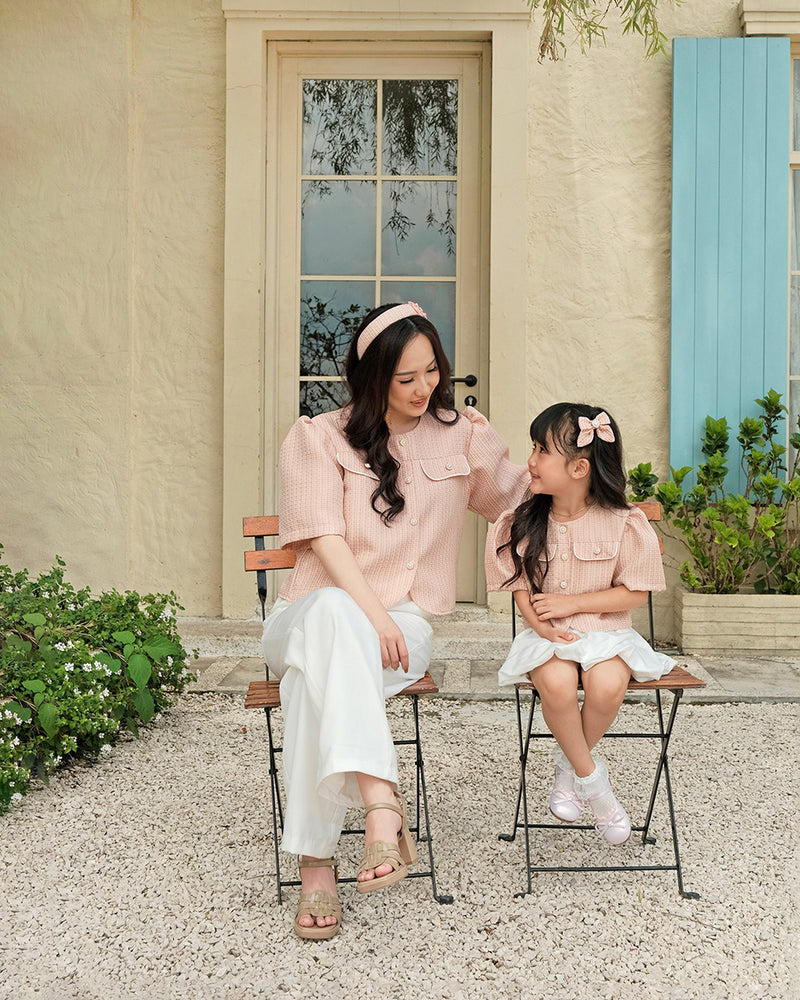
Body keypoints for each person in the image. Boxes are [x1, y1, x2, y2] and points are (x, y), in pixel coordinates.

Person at [261, 302, 528, 939]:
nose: (423, 389)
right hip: (311, 612)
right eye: (405, 379)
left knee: (308, 686)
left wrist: (592, 484)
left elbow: (519, 498)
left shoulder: (462, 433)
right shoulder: (319, 436)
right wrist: (372, 614)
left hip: (404, 626)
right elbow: (324, 543)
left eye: (431, 372)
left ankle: (315, 869)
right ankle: (382, 806)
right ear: (372, 376)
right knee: (329, 614)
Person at [485, 402, 675, 846]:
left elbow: (636, 591)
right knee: (556, 686)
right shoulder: (524, 521)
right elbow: (520, 588)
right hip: (547, 636)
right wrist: (542, 625)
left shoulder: (623, 523)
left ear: (579, 467)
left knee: (608, 687)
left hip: (608, 633)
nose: (530, 461)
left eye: (541, 451)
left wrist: (573, 602)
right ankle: (598, 788)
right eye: (532, 447)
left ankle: (568, 768)